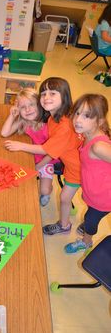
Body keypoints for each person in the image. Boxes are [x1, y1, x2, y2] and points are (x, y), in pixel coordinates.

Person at [4, 77, 82, 235]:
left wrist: (23, 149)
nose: (47, 97)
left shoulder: (61, 124)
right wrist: (13, 115)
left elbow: (48, 150)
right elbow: (5, 132)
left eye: (52, 93)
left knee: (73, 199)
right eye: (44, 93)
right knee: (68, 199)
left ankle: (70, 225)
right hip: (66, 164)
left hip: (74, 170)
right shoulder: (54, 118)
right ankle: (70, 224)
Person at [64, 94, 111, 254]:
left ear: (100, 122)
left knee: (90, 220)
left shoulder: (98, 146)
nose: (78, 119)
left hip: (104, 196)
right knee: (92, 217)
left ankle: (86, 241)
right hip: (96, 191)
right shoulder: (88, 135)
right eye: (77, 113)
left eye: (87, 116)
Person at [1, 87, 56, 207]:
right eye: (22, 107)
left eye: (31, 104)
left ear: (40, 104)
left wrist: (37, 167)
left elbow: (51, 153)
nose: (27, 109)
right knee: (18, 187)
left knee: (44, 190)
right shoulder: (23, 121)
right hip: (29, 156)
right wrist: (12, 115)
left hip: (46, 160)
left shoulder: (49, 125)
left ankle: (47, 192)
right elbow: (4, 133)